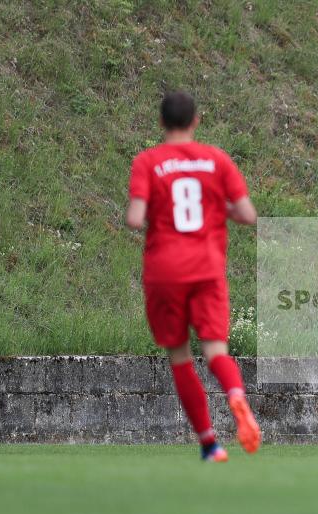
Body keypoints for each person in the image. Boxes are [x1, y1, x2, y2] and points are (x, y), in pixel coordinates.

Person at [125, 91, 261, 462]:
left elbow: (135, 218)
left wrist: (157, 208)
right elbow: (248, 214)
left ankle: (210, 444)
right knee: (216, 350)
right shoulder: (216, 160)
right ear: (196, 121)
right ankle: (235, 395)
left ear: (161, 123)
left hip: (165, 271)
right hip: (206, 267)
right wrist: (220, 210)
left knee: (180, 356)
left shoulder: (147, 162)